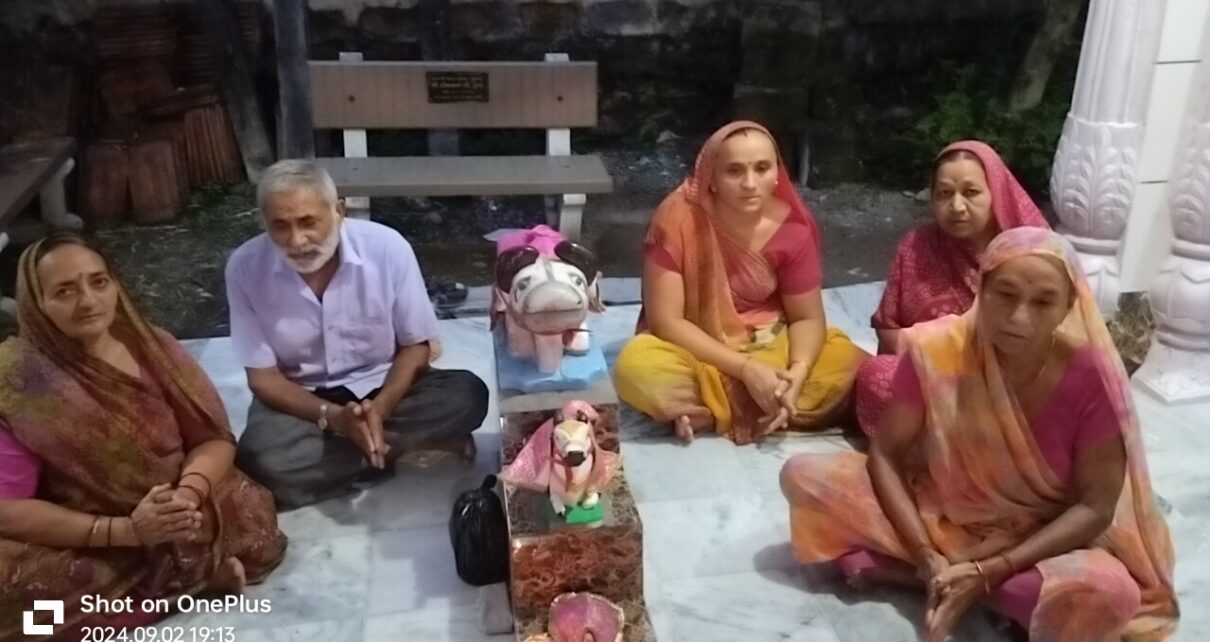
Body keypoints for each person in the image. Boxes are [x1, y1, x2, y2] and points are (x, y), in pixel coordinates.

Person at [780, 228, 1178, 642]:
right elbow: (885, 455)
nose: (1019, 317)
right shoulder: (937, 350)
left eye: (1043, 302)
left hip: (1040, 537)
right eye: (1005, 294)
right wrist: (925, 554)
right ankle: (945, 577)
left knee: (1111, 593)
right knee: (803, 475)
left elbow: (1095, 507)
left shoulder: (1091, 376)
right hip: (941, 514)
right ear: (981, 289)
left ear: (1067, 307)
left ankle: (929, 579)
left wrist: (991, 570)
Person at [0, 234, 287, 641]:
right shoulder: (17, 382)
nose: (88, 301)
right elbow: (8, 508)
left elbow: (213, 439)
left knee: (247, 505)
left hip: (181, 511)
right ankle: (186, 587)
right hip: (82, 534)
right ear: (36, 303)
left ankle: (173, 576)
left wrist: (186, 496)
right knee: (18, 599)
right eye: (64, 291)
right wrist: (125, 531)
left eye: (98, 282)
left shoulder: (155, 348)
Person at [227, 160, 489, 510]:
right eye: (280, 226)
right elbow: (263, 378)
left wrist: (380, 409)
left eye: (308, 222)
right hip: (303, 402)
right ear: (264, 223)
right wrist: (333, 417)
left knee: (468, 395)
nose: (297, 241)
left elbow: (415, 346)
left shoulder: (386, 247)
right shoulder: (245, 268)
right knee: (258, 460)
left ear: (338, 212)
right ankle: (407, 446)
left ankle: (363, 449)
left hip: (384, 389)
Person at [613, 121, 866, 444]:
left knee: (847, 362)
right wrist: (746, 370)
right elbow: (667, 322)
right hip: (698, 348)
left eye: (762, 168)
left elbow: (806, 318)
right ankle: (766, 404)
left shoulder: (792, 229)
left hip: (771, 344)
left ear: (777, 172)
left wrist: (797, 374)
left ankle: (715, 409)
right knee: (637, 365)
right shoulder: (676, 219)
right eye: (734, 171)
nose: (750, 183)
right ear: (711, 178)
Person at [855, 141, 1049, 436]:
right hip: (933, 381)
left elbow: (1053, 338)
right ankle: (936, 447)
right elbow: (888, 328)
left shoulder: (1031, 256)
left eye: (971, 192)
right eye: (945, 194)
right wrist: (940, 352)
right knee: (876, 375)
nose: (956, 206)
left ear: (996, 192)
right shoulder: (915, 247)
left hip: (1005, 387)